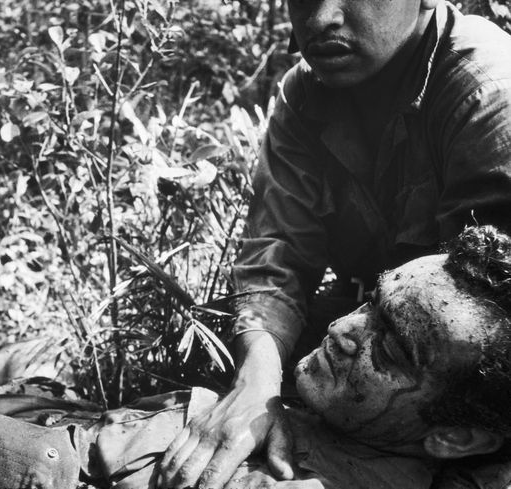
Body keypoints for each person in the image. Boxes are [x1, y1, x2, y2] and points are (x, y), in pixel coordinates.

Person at [0, 226, 511, 489]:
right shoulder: (409, 442)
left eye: (390, 347)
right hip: (76, 417)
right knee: (14, 362)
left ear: (456, 434)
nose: (344, 326)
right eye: (370, 299)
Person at [159, 0, 511, 485]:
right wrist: (256, 389)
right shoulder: (304, 94)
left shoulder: (490, 92)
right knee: (223, 349)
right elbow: (276, 250)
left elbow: (490, 331)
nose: (320, 19)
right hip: (376, 323)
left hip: (458, 369)